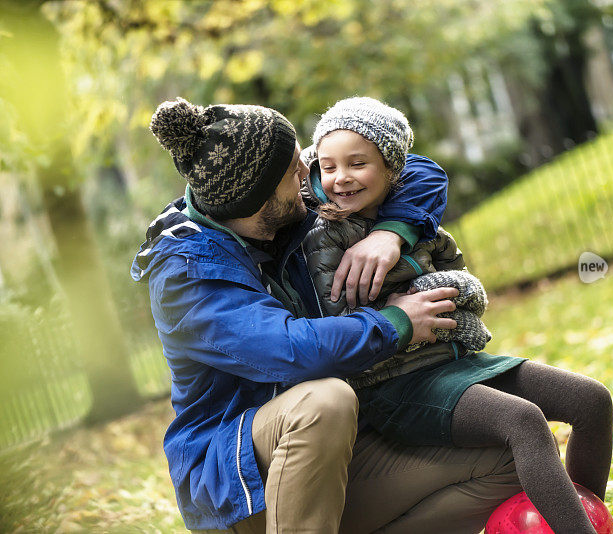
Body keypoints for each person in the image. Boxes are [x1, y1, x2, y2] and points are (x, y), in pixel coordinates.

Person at [131, 97, 522, 534]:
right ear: (258, 203)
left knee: (504, 462)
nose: (309, 175)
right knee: (325, 401)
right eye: (295, 172)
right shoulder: (187, 271)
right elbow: (291, 350)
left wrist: (393, 232)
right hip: (241, 478)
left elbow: (412, 168)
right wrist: (396, 323)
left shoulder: (272, 203)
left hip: (339, 448)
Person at [301, 97, 613, 534]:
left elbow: (459, 278)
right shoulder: (322, 237)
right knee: (523, 422)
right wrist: (415, 293)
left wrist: (437, 284)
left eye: (358, 163)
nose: (341, 178)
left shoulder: (413, 219)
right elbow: (340, 313)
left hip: (451, 362)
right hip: (394, 383)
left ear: (393, 170)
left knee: (591, 400)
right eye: (329, 167)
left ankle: (580, 520)